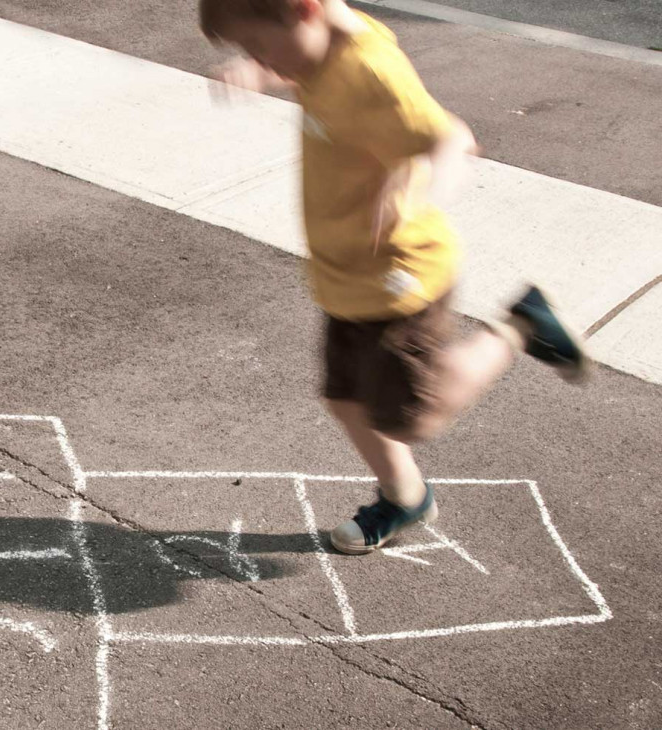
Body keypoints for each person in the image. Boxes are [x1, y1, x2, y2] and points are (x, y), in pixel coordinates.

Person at [198, 0, 591, 554]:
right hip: (346, 274)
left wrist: (420, 191)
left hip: (400, 277)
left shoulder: (372, 70)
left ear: (304, 13)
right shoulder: (313, 49)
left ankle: (522, 327)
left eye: (260, 48)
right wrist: (260, 70)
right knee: (345, 397)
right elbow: (294, 56)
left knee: (414, 416)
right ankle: (405, 496)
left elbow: (454, 138)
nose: (263, 61)